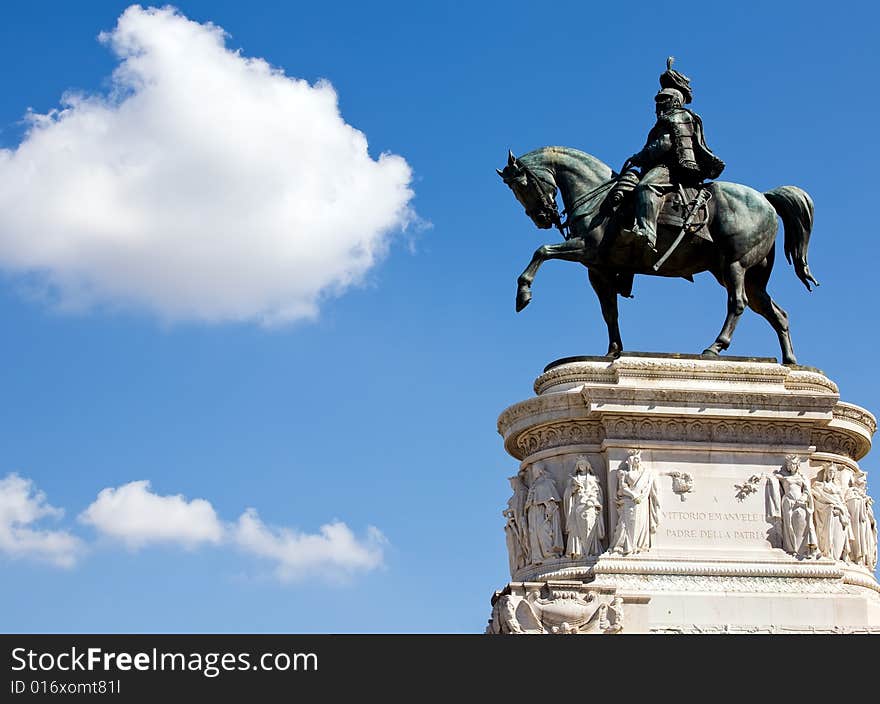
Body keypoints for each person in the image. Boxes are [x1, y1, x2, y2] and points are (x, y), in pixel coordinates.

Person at [622, 58, 725, 253]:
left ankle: (647, 232)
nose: (658, 106)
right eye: (658, 102)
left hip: (672, 168)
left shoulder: (677, 117)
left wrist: (639, 156)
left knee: (646, 186)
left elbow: (665, 144)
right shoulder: (672, 117)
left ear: (674, 100)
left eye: (663, 101)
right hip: (666, 166)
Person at [610, 450, 661, 555]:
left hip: (642, 502)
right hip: (629, 502)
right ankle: (625, 547)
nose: (636, 462)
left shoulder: (647, 474)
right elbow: (621, 489)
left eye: (637, 459)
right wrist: (633, 495)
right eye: (633, 460)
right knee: (625, 524)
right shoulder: (624, 473)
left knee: (641, 524)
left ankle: (639, 546)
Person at [562, 457, 605, 558]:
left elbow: (598, 493)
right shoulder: (574, 479)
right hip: (577, 507)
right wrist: (573, 489)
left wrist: (593, 500)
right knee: (575, 530)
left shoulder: (593, 479)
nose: (581, 466)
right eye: (579, 464)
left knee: (591, 528)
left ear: (587, 466)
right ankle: (578, 552)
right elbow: (567, 495)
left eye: (583, 464)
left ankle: (593, 551)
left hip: (590, 506)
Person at [811, 463, 853, 561]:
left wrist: (842, 509)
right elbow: (819, 498)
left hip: (840, 516)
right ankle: (827, 552)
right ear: (826, 473)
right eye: (830, 471)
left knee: (838, 537)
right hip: (828, 513)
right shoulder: (820, 486)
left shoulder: (837, 488)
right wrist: (831, 506)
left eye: (833, 472)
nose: (831, 474)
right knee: (828, 535)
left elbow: (842, 502)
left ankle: (836, 556)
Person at [523, 463, 564, 563]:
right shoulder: (534, 484)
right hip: (533, 512)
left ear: (540, 470)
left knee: (544, 532)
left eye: (535, 470)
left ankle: (549, 554)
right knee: (533, 533)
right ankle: (537, 557)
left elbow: (550, 500)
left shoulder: (546, 483)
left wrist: (549, 510)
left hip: (541, 511)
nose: (533, 472)